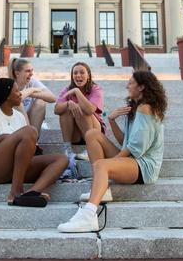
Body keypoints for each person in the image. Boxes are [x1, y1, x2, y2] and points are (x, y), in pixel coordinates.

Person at [58, 71, 167, 232]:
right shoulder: (137, 107)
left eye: (131, 82)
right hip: (132, 158)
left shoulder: (146, 108)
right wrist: (111, 120)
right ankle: (101, 188)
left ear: (142, 87)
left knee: (102, 165)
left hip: (144, 166)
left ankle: (89, 216)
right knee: (92, 134)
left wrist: (110, 163)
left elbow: (136, 149)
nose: (127, 85)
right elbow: (126, 142)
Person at [0, 78, 68, 207]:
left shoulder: (19, 116)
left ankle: (31, 193)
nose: (21, 93)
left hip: (14, 169)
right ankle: (15, 192)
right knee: (30, 131)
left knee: (61, 159)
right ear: (6, 95)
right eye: (17, 91)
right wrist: (1, 139)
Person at [54, 62, 105, 161]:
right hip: (76, 134)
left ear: (88, 76)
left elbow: (90, 109)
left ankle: (91, 149)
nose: (78, 75)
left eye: (82, 72)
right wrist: (68, 103)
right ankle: (68, 150)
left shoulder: (96, 89)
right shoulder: (67, 89)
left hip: (94, 131)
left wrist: (77, 92)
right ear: (72, 76)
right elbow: (56, 110)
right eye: (75, 73)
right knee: (66, 109)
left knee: (82, 109)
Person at [8, 57, 56, 136]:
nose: (31, 74)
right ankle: (28, 137)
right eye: (27, 71)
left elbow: (52, 98)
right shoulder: (9, 84)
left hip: (31, 123)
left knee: (40, 102)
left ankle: (33, 140)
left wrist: (30, 92)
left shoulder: (31, 81)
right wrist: (31, 90)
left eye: (32, 70)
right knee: (18, 103)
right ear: (17, 73)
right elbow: (18, 98)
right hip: (12, 127)